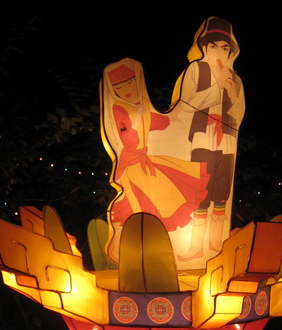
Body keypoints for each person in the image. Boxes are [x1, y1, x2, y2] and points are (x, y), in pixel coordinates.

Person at [101, 58, 209, 263]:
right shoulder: (120, 108)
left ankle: (155, 251)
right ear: (113, 89)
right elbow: (127, 136)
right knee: (142, 204)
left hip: (145, 160)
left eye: (129, 82)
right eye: (119, 86)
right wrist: (136, 124)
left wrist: (172, 119)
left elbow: (156, 121)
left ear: (137, 80)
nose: (126, 89)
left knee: (163, 198)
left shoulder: (140, 105)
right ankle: (123, 248)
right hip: (131, 165)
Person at [176, 17, 245, 261]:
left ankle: (216, 246)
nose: (219, 52)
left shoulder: (234, 78)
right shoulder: (196, 69)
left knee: (221, 192)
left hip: (226, 140)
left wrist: (230, 90)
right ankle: (195, 247)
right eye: (213, 46)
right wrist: (217, 87)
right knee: (200, 192)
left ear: (231, 50)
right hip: (202, 137)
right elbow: (187, 105)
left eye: (224, 48)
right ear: (204, 47)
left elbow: (238, 114)